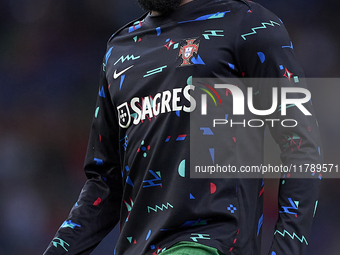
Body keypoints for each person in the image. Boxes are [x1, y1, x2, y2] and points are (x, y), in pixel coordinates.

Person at [44, 0, 322, 254]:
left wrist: (286, 249)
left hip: (211, 243)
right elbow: (105, 183)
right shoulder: (119, 50)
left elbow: (301, 144)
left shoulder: (247, 24)